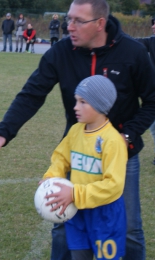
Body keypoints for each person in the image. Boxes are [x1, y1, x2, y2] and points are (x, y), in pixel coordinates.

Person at [0, 0, 155, 259]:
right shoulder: (61, 52)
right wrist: (4, 130)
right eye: (68, 19)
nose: (69, 26)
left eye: (78, 21)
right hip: (77, 154)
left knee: (129, 228)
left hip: (120, 155)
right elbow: (32, 93)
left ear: (100, 23)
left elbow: (153, 100)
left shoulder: (132, 52)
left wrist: (127, 136)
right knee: (64, 223)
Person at [43, 75, 127, 260]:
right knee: (79, 256)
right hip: (77, 211)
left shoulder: (113, 141)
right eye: (76, 101)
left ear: (100, 105)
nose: (75, 107)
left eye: (83, 102)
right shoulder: (75, 131)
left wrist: (74, 194)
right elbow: (61, 158)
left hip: (105, 214)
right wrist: (51, 178)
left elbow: (114, 185)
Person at [135, 17, 155, 165]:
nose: (153, 27)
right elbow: (135, 43)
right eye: (152, 24)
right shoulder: (152, 42)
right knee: (154, 126)